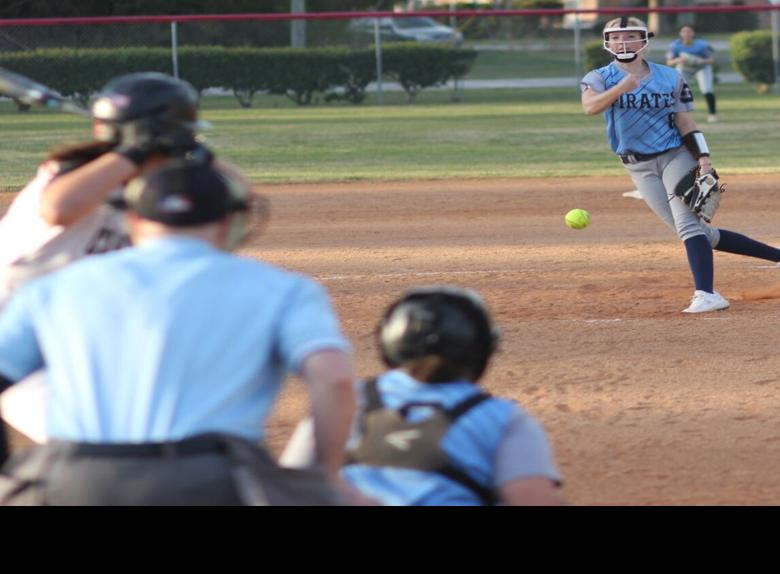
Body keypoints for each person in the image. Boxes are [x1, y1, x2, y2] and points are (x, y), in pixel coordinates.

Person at [0, 160, 360, 505]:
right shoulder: (284, 289)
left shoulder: (55, 287)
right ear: (228, 221)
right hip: (210, 478)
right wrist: (323, 480)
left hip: (75, 478)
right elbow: (336, 379)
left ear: (133, 220)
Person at [1, 71, 216, 447]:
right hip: (16, 343)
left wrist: (199, 159)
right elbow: (60, 209)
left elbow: (237, 199)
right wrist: (132, 152)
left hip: (75, 341)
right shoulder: (70, 176)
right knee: (99, 447)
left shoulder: (151, 186)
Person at [582, 17, 780, 315]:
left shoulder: (670, 77)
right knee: (696, 233)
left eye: (630, 36)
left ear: (644, 40)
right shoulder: (599, 77)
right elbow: (590, 107)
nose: (623, 43)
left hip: (675, 155)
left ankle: (707, 294)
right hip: (637, 166)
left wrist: (704, 159)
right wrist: (623, 87)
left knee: (687, 225)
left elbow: (686, 122)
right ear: (607, 42)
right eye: (617, 38)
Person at [279, 286, 566, 506]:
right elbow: (531, 497)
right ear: (482, 351)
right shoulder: (504, 419)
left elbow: (285, 486)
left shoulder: (349, 403)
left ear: (388, 344)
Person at [667, 25, 718, 123]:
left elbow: (712, 60)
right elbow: (669, 62)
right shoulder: (675, 45)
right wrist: (678, 59)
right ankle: (677, 114)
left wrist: (698, 61)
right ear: (680, 34)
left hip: (701, 67)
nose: (686, 34)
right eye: (684, 32)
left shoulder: (702, 45)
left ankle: (712, 114)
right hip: (685, 67)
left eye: (689, 31)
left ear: (693, 33)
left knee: (707, 89)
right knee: (678, 89)